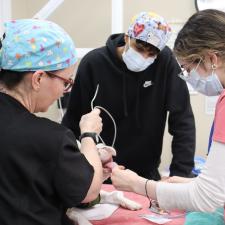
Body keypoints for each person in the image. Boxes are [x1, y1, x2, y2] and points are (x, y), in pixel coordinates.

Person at [111, 9, 225, 213]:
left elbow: (207, 197)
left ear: (212, 59)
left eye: (189, 68)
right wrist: (193, 185)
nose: (189, 76)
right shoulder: (93, 63)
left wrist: (138, 184)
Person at [62, 11, 196, 181]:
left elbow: (182, 120)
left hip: (146, 175)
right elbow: (72, 123)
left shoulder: (165, 62)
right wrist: (69, 171)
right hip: (99, 173)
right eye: (140, 48)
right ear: (127, 37)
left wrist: (180, 175)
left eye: (151, 54)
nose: (144, 57)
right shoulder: (93, 64)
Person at [0, 19, 103, 225]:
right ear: (38, 78)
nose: (63, 92)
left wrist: (74, 164)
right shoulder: (50, 137)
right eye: (66, 82)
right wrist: (89, 135)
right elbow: (89, 191)